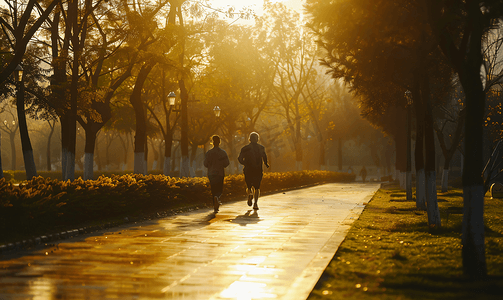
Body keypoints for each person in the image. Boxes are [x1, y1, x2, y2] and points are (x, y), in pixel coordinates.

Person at [238, 132, 269, 210]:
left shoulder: (245, 148)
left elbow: (240, 159)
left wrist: (244, 163)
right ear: (257, 139)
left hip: (248, 169)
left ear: (249, 139)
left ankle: (250, 194)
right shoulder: (261, 148)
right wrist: (266, 164)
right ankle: (255, 204)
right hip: (258, 170)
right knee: (257, 187)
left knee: (248, 185)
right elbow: (264, 157)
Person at [204, 135, 230, 213]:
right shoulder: (223, 152)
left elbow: (205, 164)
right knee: (219, 189)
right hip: (220, 173)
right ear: (219, 142)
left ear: (212, 142)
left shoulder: (209, 153)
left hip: (211, 173)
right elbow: (227, 163)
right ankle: (217, 198)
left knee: (213, 189)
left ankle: (215, 205)